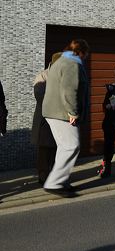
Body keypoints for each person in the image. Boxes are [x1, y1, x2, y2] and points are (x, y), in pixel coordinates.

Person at [41, 39, 90, 197]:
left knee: (64, 147)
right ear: (81, 52)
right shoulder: (71, 63)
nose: (86, 57)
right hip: (62, 113)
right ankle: (54, 183)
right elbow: (69, 90)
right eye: (86, 54)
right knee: (71, 146)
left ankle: (61, 181)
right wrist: (72, 113)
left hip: (54, 112)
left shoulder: (61, 61)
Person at [32, 53, 62, 185]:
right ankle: (43, 176)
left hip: (60, 120)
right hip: (45, 119)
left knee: (57, 148)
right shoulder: (43, 76)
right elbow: (40, 97)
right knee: (44, 149)